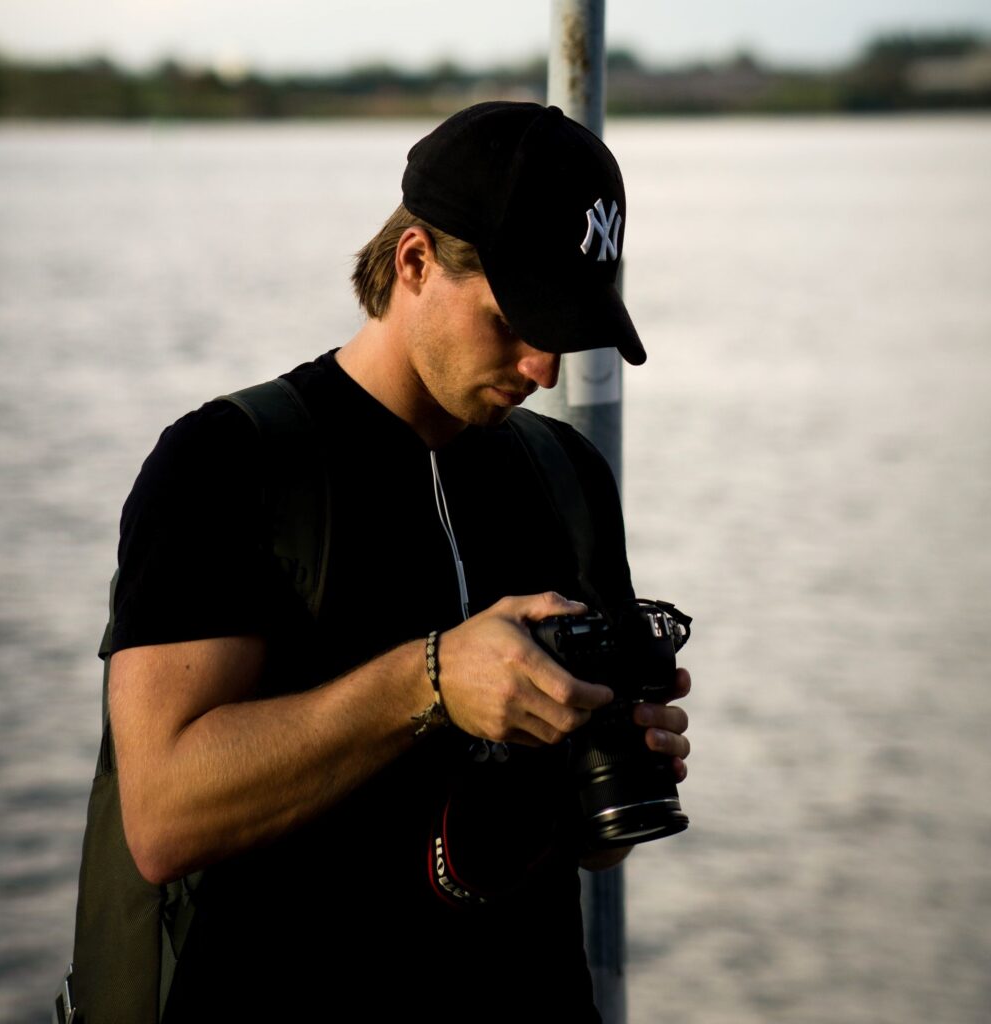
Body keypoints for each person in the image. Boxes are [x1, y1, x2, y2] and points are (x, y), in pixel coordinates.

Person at [97, 102, 691, 1021]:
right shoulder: (226, 464)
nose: (544, 369)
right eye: (516, 319)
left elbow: (588, 845)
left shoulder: (566, 474)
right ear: (414, 262)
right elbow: (165, 817)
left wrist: (619, 767)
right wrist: (432, 680)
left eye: (566, 328)